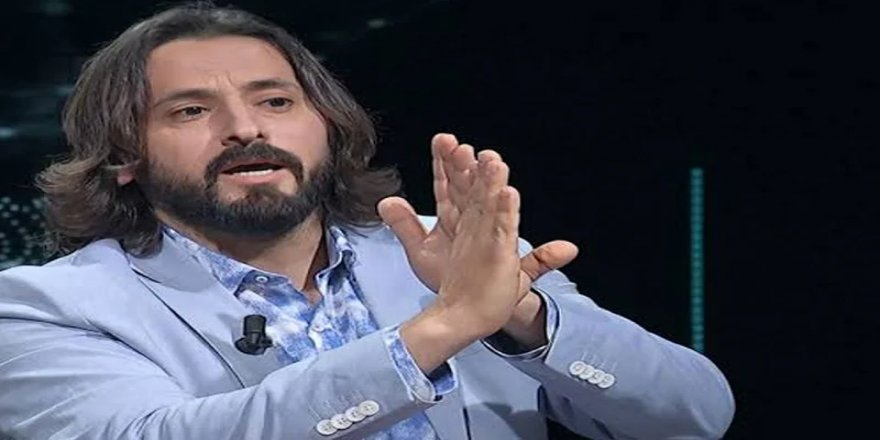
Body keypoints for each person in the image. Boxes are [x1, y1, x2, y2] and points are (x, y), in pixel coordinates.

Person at [0, 3, 734, 439]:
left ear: (327, 123)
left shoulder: (459, 258)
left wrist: (522, 317)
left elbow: (696, 415)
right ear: (123, 157)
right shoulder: (46, 308)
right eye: (191, 110)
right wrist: (446, 325)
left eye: (276, 101)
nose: (245, 128)